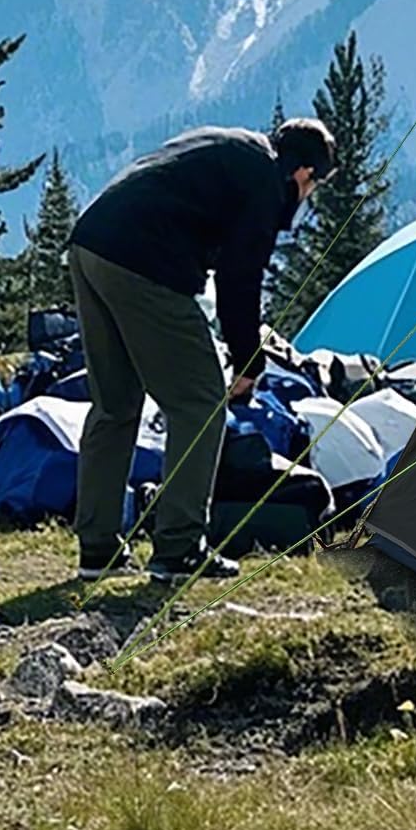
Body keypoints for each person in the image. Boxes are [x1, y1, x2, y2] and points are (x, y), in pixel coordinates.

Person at [68, 116, 335, 580]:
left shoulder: (234, 147)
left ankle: (98, 548)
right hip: (145, 263)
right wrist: (249, 360)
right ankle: (179, 547)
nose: (307, 197)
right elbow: (239, 278)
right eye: (314, 186)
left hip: (90, 245)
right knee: (201, 403)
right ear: (304, 173)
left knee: (115, 404)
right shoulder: (267, 184)